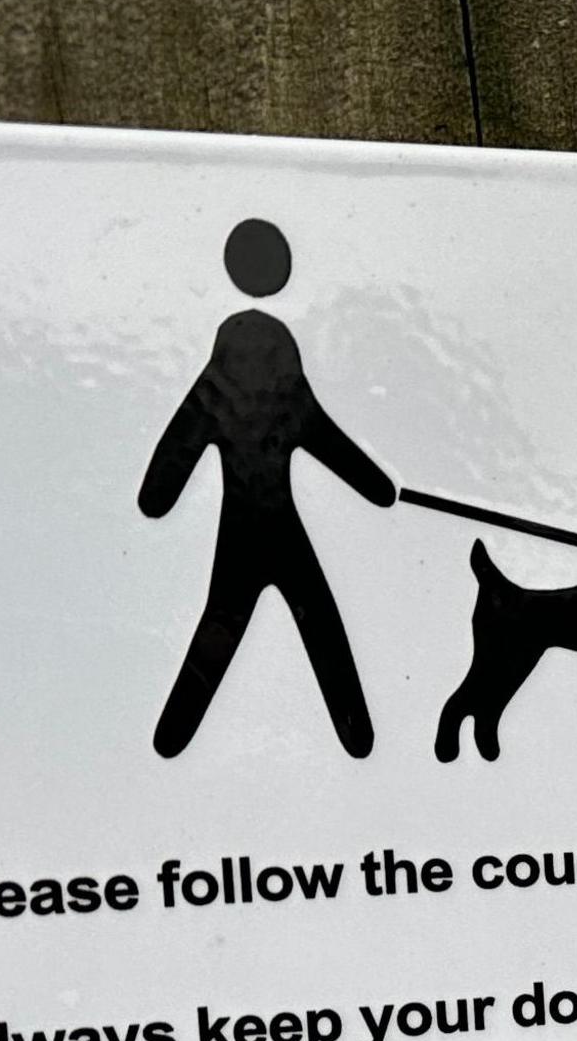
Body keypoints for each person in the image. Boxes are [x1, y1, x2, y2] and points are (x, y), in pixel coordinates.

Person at [137, 219, 395, 756]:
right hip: (283, 528)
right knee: (318, 616)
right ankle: (356, 734)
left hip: (240, 530)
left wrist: (159, 496)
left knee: (223, 620)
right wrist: (379, 488)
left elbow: (166, 473)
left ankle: (173, 734)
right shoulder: (287, 387)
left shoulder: (216, 386)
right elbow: (330, 441)